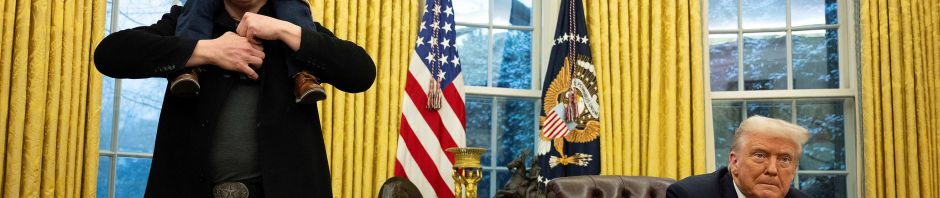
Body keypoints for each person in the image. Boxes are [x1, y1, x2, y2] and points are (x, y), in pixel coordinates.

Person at [93, 0, 376, 196]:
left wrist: (283, 30)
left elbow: (362, 73)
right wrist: (205, 50)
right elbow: (109, 54)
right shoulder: (185, 24)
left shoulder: (294, 29)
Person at [170, 0, 327, 104]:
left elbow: (351, 65)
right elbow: (144, 49)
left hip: (283, 149)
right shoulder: (180, 17)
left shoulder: (293, 19)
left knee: (293, 6)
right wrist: (206, 51)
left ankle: (305, 76)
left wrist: (284, 31)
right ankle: (188, 69)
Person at [667, 116, 811, 198]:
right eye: (760, 155)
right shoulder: (689, 195)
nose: (772, 169)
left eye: (784, 159)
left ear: (794, 170)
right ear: (734, 162)